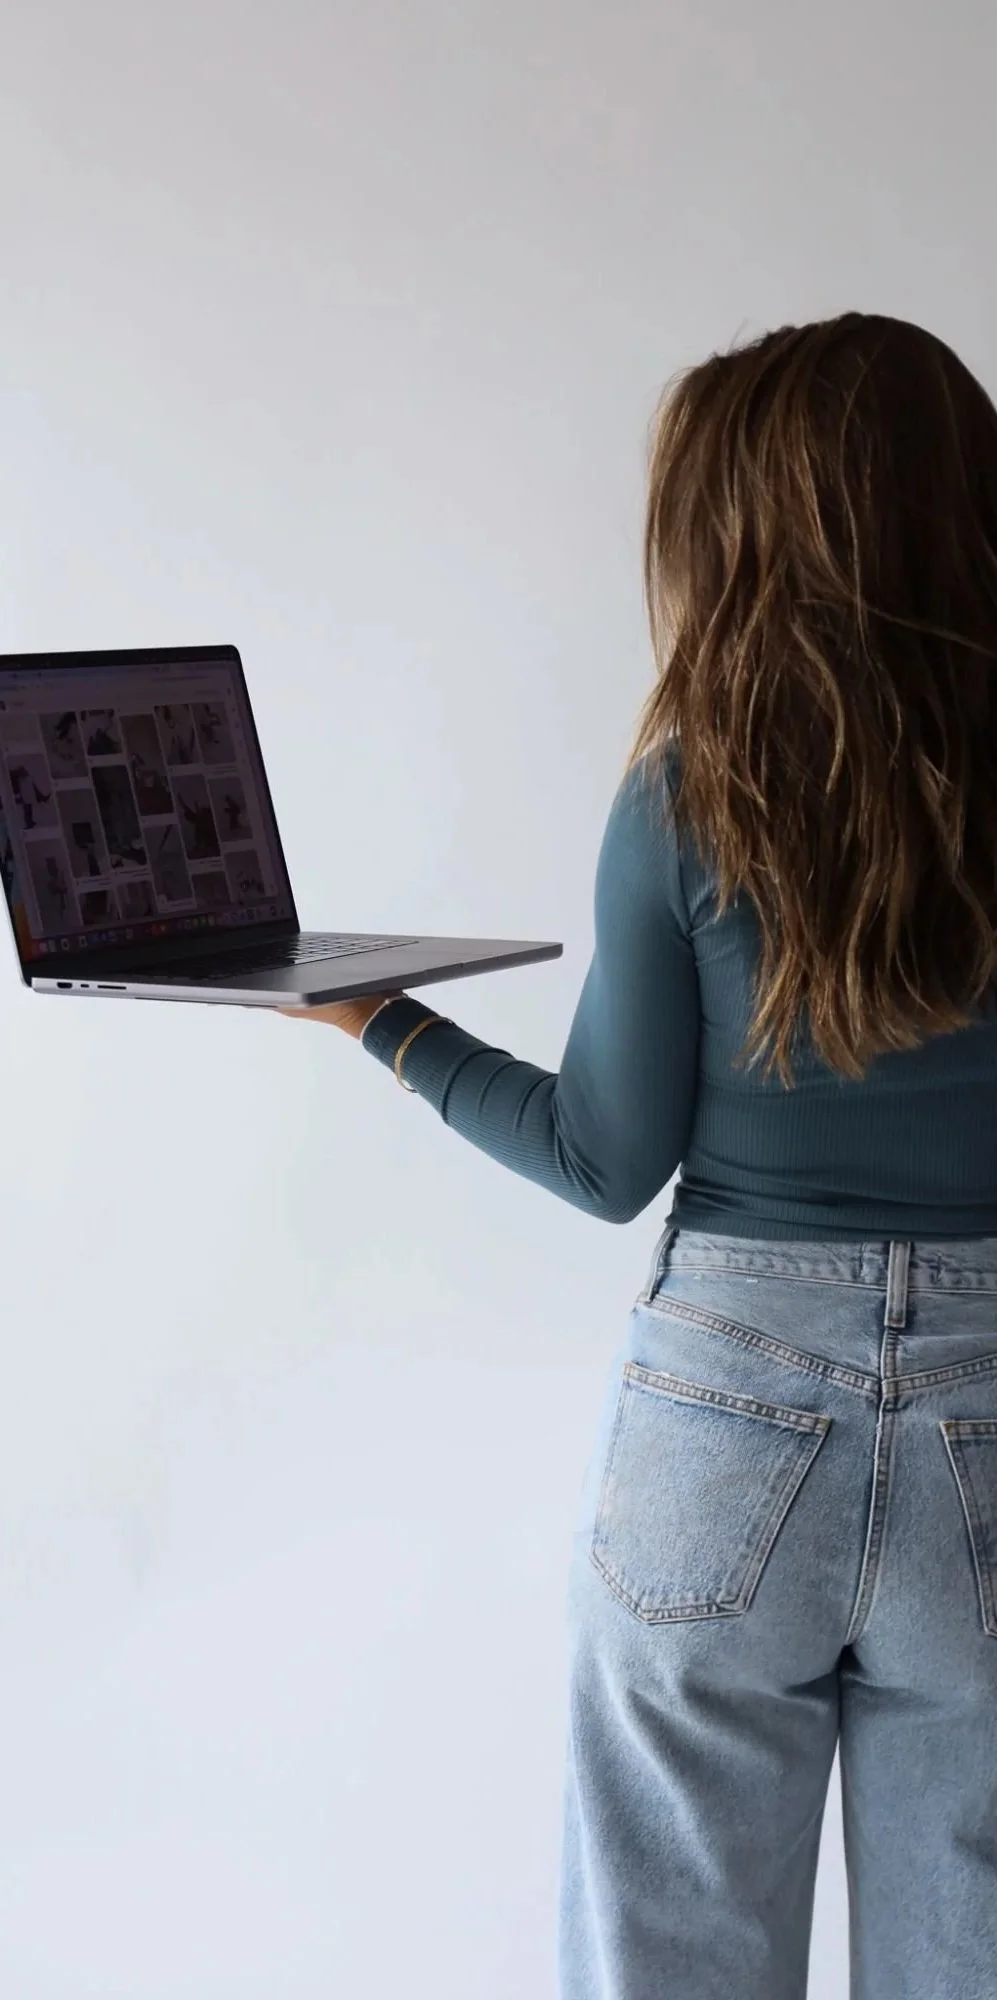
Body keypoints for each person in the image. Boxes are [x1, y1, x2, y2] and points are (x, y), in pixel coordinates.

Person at [281, 312, 997, 2000]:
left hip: (727, 1411)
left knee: (667, 1954)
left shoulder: (696, 791)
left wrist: (383, 1022)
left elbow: (607, 1161)